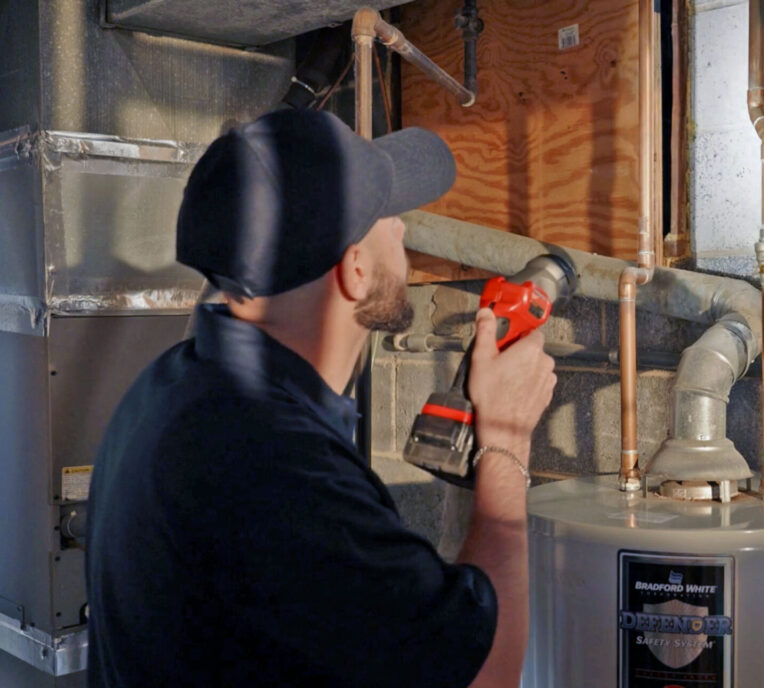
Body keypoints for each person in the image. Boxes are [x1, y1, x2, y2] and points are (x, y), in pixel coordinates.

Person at [85, 109, 556, 687]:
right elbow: (485, 675)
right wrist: (507, 441)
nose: (404, 229)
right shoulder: (281, 468)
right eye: (387, 216)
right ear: (355, 271)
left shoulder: (166, 388)